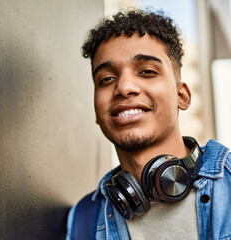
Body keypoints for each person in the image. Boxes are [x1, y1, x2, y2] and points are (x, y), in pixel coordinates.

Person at [66, 9, 231, 240]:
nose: (124, 87)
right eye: (107, 79)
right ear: (96, 110)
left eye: (146, 72)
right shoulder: (82, 222)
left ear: (182, 96)